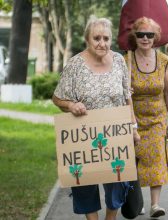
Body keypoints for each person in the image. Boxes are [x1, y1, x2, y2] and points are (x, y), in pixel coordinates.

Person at [52, 17, 140, 220]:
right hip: (84, 135)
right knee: (85, 186)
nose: (102, 43)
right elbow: (57, 97)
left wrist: (133, 128)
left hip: (116, 135)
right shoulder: (75, 65)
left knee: (117, 184)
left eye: (106, 38)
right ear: (87, 40)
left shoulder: (118, 60)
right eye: (97, 38)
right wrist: (71, 105)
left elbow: (127, 96)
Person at [124, 17, 168, 218]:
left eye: (150, 35)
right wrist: (124, 90)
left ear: (156, 37)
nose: (145, 38)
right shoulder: (127, 60)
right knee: (136, 161)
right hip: (134, 119)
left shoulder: (164, 61)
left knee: (157, 159)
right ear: (135, 36)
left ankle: (155, 205)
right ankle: (137, 202)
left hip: (158, 118)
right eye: (141, 34)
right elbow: (119, 91)